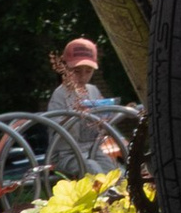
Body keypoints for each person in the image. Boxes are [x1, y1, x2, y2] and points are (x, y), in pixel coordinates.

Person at [42, 37, 125, 181]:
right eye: (77, 71)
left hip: (92, 150)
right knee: (93, 169)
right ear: (65, 68)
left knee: (118, 173)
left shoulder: (93, 90)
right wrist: (75, 115)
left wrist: (113, 114)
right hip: (66, 154)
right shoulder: (60, 94)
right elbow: (55, 126)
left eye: (88, 71)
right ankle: (103, 196)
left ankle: (120, 194)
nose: (83, 76)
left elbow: (104, 120)